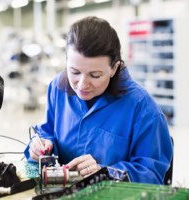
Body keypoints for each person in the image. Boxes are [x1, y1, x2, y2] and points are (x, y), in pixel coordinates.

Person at [24, 16, 173, 184]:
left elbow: (152, 174)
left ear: (114, 68)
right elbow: (48, 130)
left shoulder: (142, 108)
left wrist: (105, 173)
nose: (82, 85)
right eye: (74, 71)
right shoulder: (58, 88)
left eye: (95, 75)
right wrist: (43, 146)